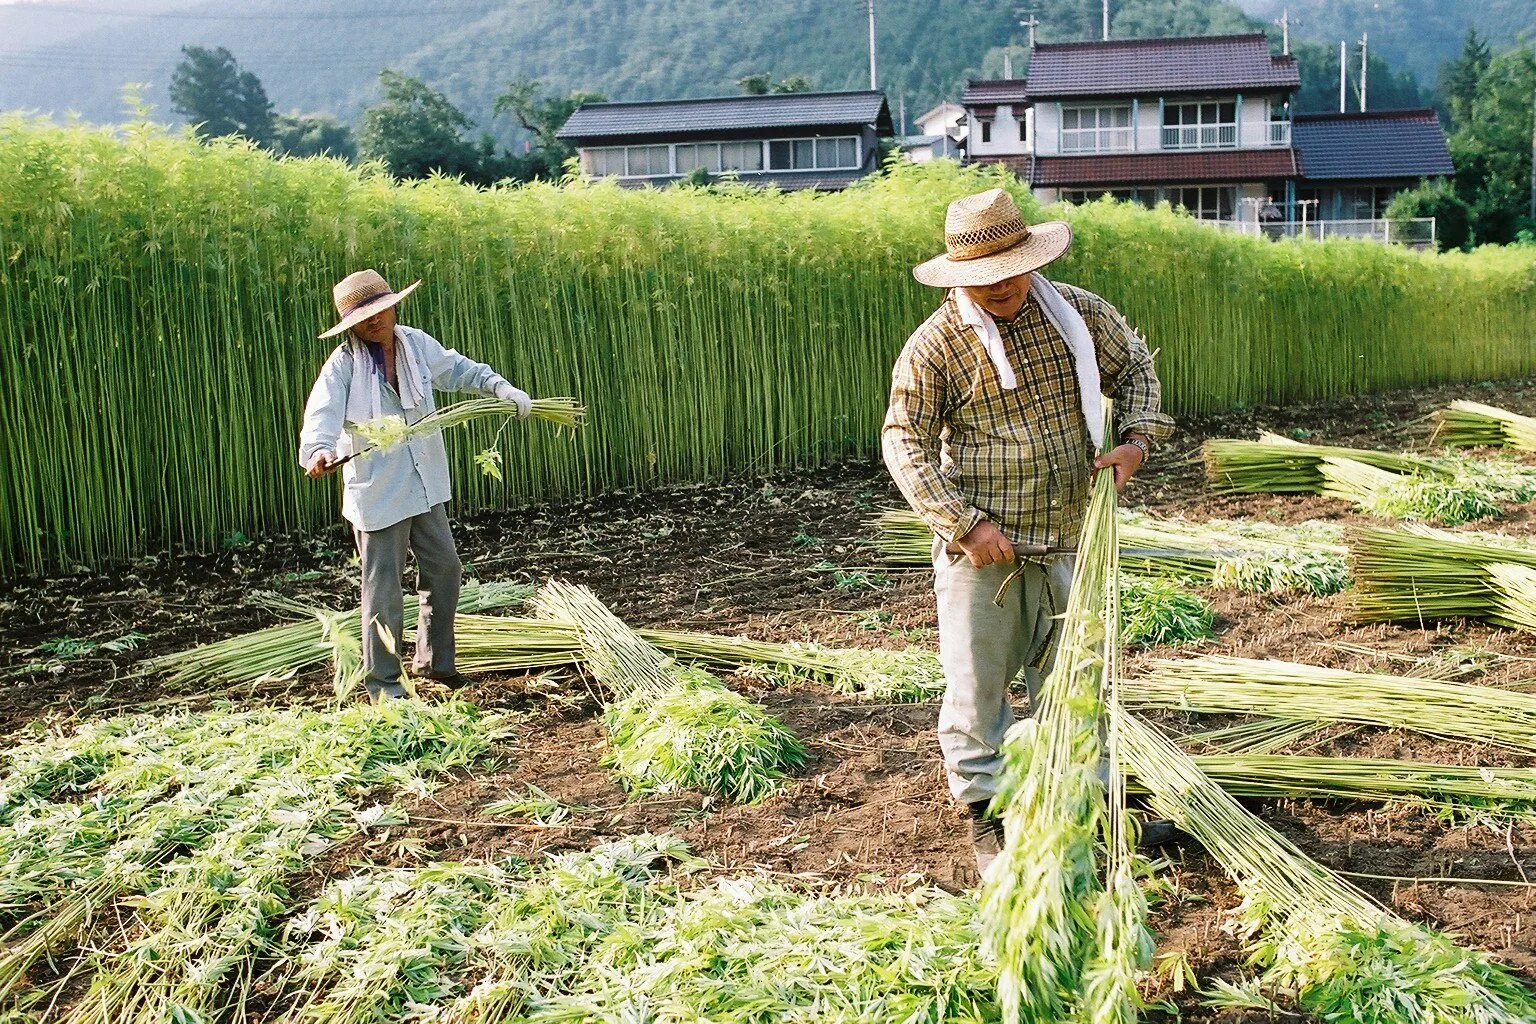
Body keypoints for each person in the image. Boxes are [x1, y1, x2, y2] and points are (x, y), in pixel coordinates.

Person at [880, 188, 1175, 875]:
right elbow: (905, 443)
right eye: (984, 278)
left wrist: (1135, 441)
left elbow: (1135, 369)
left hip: (1075, 536)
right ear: (962, 277)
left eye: (1011, 270)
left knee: (1077, 683)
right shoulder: (936, 347)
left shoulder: (1077, 314)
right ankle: (985, 816)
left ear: (1029, 259)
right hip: (987, 554)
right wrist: (965, 524)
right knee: (978, 690)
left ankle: (1092, 809)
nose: (1002, 287)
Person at [298, 269, 533, 700]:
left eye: (380, 310)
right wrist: (318, 452)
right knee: (383, 588)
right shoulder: (344, 364)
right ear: (351, 324)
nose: (375, 321)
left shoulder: (415, 344)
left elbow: (458, 370)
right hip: (379, 491)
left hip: (424, 481)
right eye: (363, 317)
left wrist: (499, 387)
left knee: (445, 569)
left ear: (393, 306)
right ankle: (384, 683)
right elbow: (322, 416)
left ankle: (435, 663)